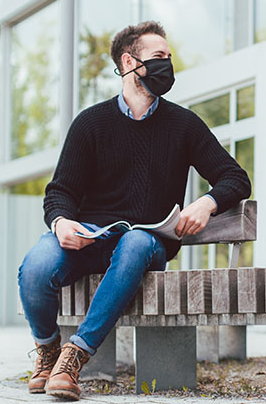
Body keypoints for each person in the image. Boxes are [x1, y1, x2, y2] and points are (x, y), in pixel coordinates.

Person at [18, 21, 251, 401]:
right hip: (91, 237)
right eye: (159, 57)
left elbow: (235, 178)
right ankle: (48, 351)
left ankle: (74, 357)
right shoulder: (91, 123)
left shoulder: (184, 124)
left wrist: (207, 202)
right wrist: (61, 223)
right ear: (129, 62)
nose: (168, 65)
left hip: (145, 245)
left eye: (169, 58)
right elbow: (59, 192)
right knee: (37, 265)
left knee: (136, 242)